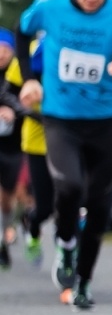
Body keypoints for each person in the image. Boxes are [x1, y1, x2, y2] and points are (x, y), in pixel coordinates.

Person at [17, 0, 112, 310]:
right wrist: (30, 80)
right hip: (60, 117)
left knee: (100, 208)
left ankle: (84, 282)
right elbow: (21, 31)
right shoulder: (51, 5)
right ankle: (65, 245)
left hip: (104, 121)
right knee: (70, 185)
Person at [9, 38, 52, 269]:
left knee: (74, 199)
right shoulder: (31, 50)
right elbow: (8, 94)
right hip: (38, 142)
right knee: (44, 207)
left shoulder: (85, 45)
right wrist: (32, 113)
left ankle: (69, 251)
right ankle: (32, 226)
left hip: (74, 137)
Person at [0, 31, 29, 269]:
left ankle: (5, 234)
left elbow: (30, 106)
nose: (1, 54)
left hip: (15, 146)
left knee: (7, 200)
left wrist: (13, 110)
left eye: (5, 49)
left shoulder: (20, 76)